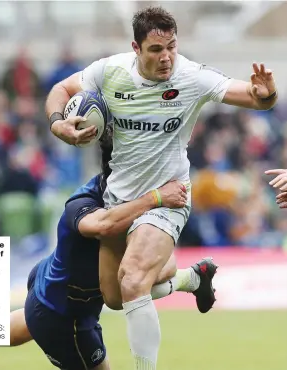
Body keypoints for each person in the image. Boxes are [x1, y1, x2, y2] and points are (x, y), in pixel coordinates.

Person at [45, 6, 278, 369]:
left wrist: (265, 95)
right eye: (156, 49)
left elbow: (251, 95)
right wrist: (58, 123)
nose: (166, 56)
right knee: (115, 296)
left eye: (171, 46)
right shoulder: (109, 71)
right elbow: (61, 89)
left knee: (135, 279)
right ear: (136, 49)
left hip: (168, 198)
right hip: (119, 198)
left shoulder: (190, 76)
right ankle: (190, 277)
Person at [0, 127, 214, 369]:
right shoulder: (84, 203)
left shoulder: (135, 199)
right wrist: (156, 198)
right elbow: (103, 225)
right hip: (65, 316)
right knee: (132, 284)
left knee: (142, 275)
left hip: (54, 290)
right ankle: (189, 279)